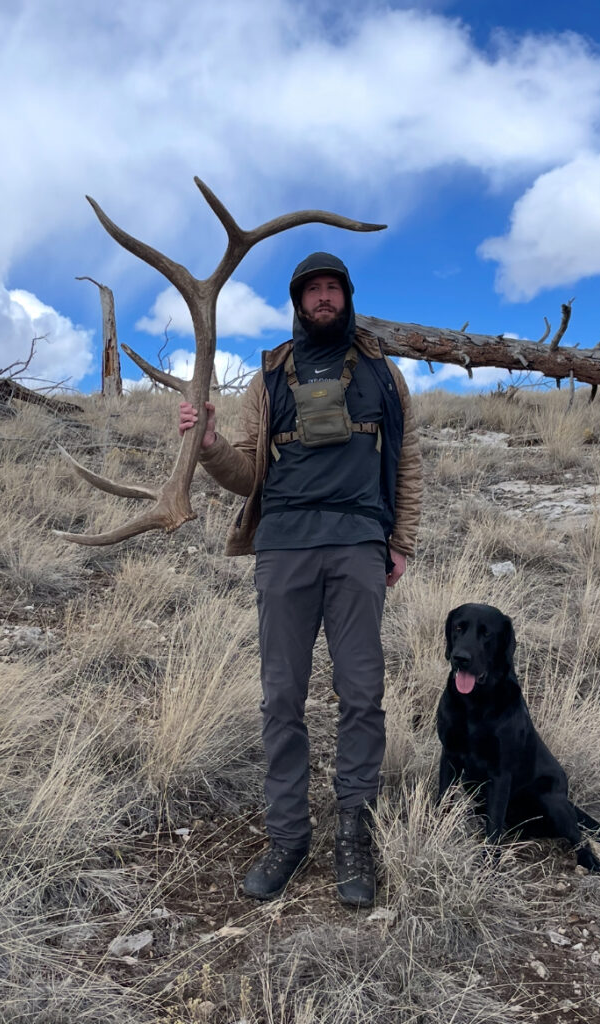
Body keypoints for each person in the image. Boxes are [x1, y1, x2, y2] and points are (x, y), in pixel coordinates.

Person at [179, 252, 422, 906]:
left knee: (362, 695)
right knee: (280, 699)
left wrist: (398, 542)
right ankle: (288, 836)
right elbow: (247, 470)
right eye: (312, 289)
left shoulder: (381, 373)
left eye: (331, 288)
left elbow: (408, 465)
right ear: (297, 300)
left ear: (346, 295)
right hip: (284, 548)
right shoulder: (271, 375)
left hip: (358, 549)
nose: (322, 298)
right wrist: (207, 449)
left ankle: (354, 835)